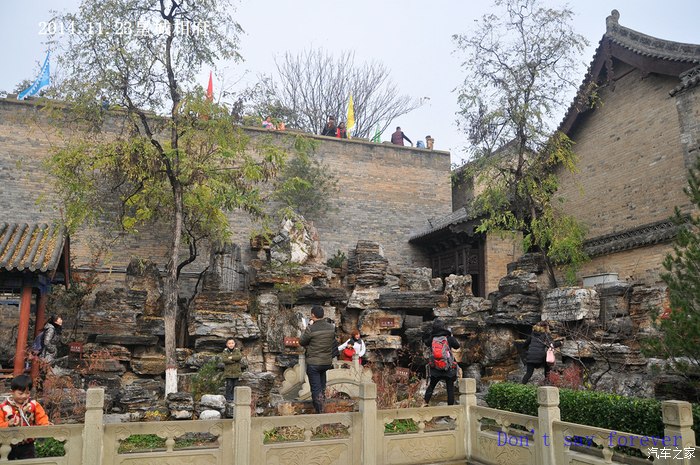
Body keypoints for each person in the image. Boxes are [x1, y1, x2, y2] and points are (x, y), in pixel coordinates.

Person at [0, 374, 50, 460]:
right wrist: (8, 424)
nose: (24, 396)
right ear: (12, 392)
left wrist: (45, 425)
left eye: (27, 393)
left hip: (28, 443)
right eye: (20, 393)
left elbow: (42, 417)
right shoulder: (3, 407)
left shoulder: (33, 405)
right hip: (8, 443)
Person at [299, 305, 336, 413]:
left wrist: (308, 327)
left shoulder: (311, 328)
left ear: (312, 315)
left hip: (314, 363)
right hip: (326, 362)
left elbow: (302, 341)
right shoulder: (331, 327)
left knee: (316, 389)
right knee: (322, 387)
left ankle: (320, 412)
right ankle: (322, 407)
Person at [423, 319, 460, 406]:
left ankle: (424, 404)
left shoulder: (432, 339)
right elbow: (457, 346)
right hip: (448, 368)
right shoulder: (449, 338)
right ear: (444, 327)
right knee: (450, 388)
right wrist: (451, 336)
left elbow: (426, 343)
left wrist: (429, 334)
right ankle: (450, 408)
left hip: (435, 368)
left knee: (431, 386)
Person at [221, 338, 243, 402]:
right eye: (229, 343)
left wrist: (231, 357)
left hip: (236, 372)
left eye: (232, 343)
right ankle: (228, 398)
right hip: (228, 373)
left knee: (235, 385)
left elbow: (239, 357)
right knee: (229, 385)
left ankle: (234, 397)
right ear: (227, 344)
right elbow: (224, 359)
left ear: (234, 344)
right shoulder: (225, 351)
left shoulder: (237, 350)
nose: (231, 344)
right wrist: (233, 361)